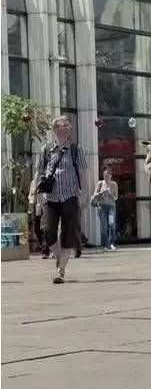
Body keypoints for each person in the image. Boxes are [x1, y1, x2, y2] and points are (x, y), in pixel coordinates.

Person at [34, 115, 87, 283]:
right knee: (48, 231)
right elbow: (38, 173)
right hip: (50, 197)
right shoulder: (46, 149)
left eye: (67, 126)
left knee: (68, 233)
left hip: (70, 196)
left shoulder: (76, 149)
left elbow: (83, 173)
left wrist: (83, 195)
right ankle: (59, 257)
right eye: (62, 126)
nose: (65, 129)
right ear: (54, 129)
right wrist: (34, 195)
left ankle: (61, 271)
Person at [92, 168, 118, 251]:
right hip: (102, 207)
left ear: (111, 176)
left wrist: (110, 194)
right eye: (105, 175)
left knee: (111, 224)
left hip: (111, 207)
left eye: (108, 175)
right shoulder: (100, 183)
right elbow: (94, 195)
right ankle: (106, 245)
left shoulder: (114, 184)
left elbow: (116, 198)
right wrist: (101, 193)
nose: (106, 177)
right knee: (104, 226)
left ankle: (111, 243)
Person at [28, 179, 49, 258]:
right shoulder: (33, 182)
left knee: (45, 229)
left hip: (47, 205)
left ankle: (45, 250)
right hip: (37, 207)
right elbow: (31, 196)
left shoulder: (47, 179)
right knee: (37, 229)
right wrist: (30, 207)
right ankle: (45, 246)